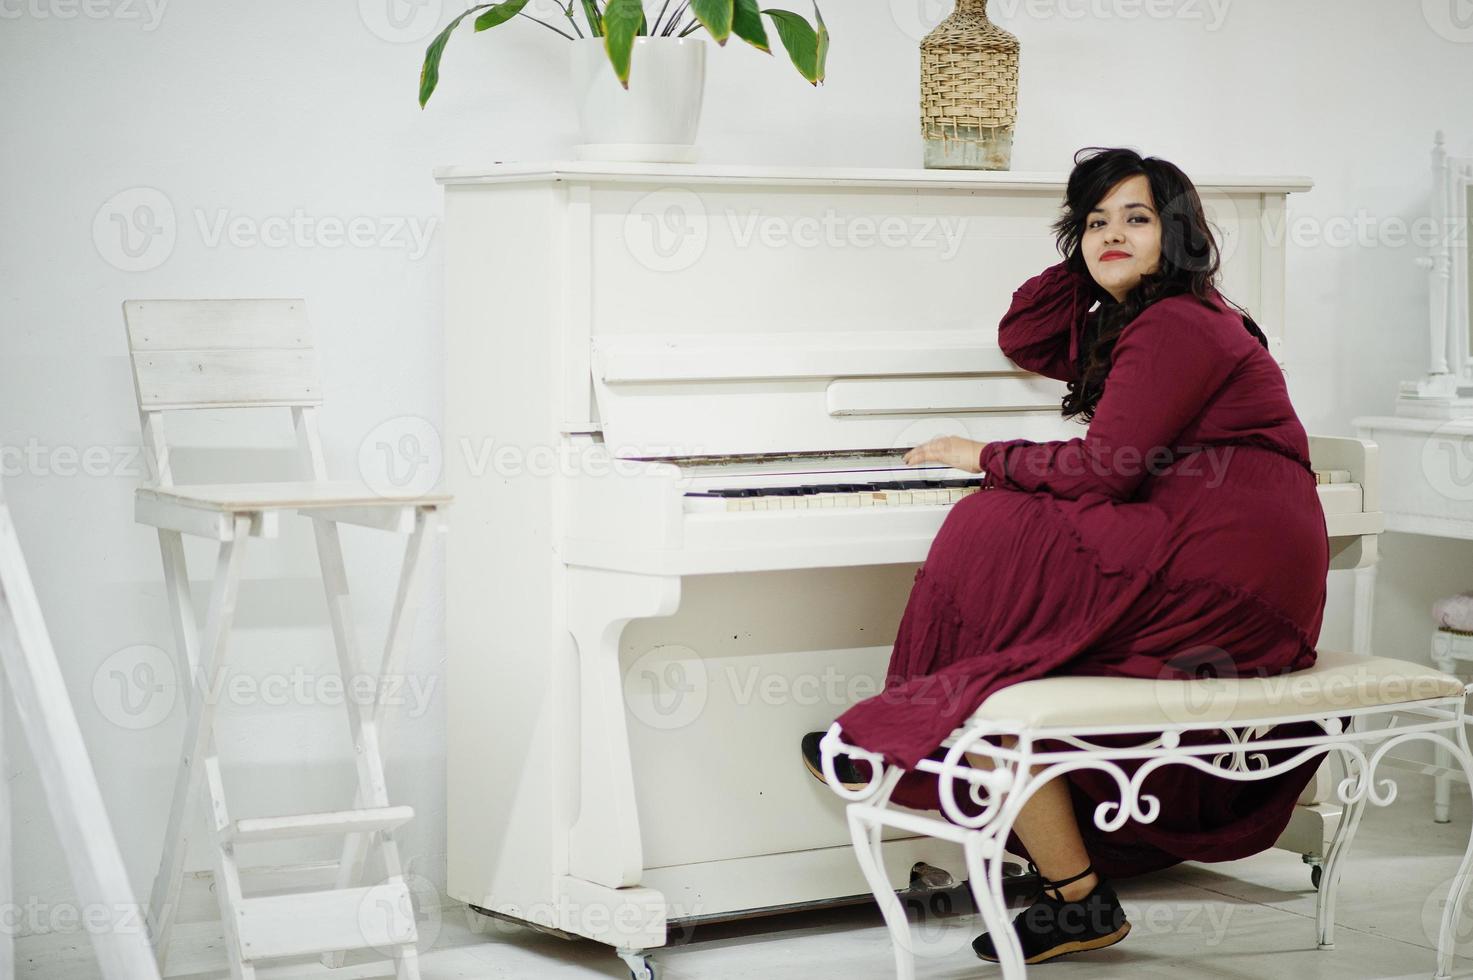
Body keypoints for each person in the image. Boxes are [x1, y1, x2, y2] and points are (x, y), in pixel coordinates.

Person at [799, 146, 1330, 965]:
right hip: (1216, 553)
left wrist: (982, 452)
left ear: (1178, 234)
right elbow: (1025, 333)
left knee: (993, 530)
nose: (1110, 234)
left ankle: (915, 729)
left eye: (1137, 218)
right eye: (1094, 221)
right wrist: (1094, 261)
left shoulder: (1175, 323)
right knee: (1005, 575)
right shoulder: (1157, 315)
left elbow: (1106, 471)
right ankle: (1070, 894)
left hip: (1225, 572)